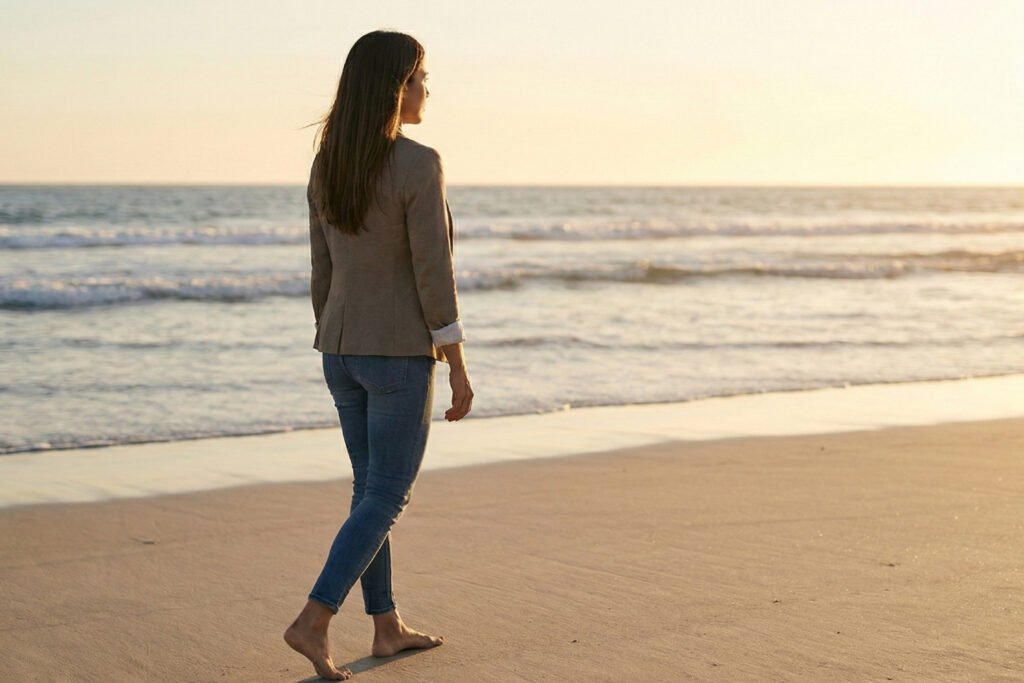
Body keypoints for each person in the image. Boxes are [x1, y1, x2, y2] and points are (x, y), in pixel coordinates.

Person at [284, 30, 474, 681]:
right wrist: (457, 363)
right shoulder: (417, 163)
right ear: (395, 87)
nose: (426, 90)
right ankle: (314, 618)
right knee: (388, 494)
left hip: (339, 350)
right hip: (396, 354)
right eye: (419, 78)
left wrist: (336, 336)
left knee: (369, 491)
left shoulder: (327, 163)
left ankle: (386, 625)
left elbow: (322, 270)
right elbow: (433, 272)